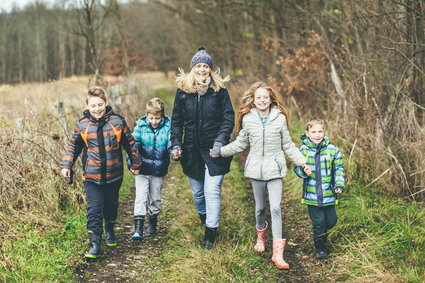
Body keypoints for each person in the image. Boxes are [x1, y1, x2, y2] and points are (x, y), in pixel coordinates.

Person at [218, 81, 307, 269]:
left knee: (275, 208)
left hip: (275, 170)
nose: (262, 100)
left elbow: (288, 145)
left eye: (265, 97)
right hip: (256, 170)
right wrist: (221, 151)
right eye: (258, 97)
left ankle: (278, 253)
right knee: (260, 209)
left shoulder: (279, 118)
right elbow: (240, 144)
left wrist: (303, 162)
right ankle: (261, 238)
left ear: (271, 99)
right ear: (253, 99)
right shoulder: (248, 119)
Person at [60, 86, 141, 260]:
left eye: (100, 104)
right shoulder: (82, 125)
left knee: (111, 207)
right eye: (93, 105)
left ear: (106, 103)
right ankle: (95, 244)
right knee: (94, 210)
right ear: (87, 105)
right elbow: (73, 147)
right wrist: (66, 165)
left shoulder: (117, 122)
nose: (97, 108)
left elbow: (130, 144)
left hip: (114, 175)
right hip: (91, 177)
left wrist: (135, 163)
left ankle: (110, 229)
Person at [170, 47, 235, 250]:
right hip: (190, 150)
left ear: (210, 69)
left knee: (212, 190)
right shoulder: (182, 92)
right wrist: (176, 144)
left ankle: (210, 234)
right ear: (192, 69)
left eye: (205, 66)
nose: (201, 69)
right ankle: (205, 218)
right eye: (198, 66)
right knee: (198, 194)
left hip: (214, 150)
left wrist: (220, 141)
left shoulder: (220, 91)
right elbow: (176, 122)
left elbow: (228, 118)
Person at [294, 118, 345, 259]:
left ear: (324, 132)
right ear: (307, 133)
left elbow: (339, 168)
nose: (317, 135)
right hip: (312, 196)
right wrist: (304, 172)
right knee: (319, 223)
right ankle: (320, 248)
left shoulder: (332, 149)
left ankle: (322, 234)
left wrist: (339, 184)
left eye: (320, 131)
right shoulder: (303, 149)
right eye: (313, 132)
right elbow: (297, 168)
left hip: (329, 194)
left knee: (331, 221)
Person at [130, 97, 171, 240]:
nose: (154, 121)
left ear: (162, 116)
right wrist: (133, 164)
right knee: (140, 197)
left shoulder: (168, 127)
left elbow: (171, 143)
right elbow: (133, 147)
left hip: (158, 169)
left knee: (155, 198)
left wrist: (174, 151)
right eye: (152, 118)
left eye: (157, 118)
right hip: (142, 168)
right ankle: (138, 229)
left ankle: (152, 222)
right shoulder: (140, 127)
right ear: (147, 115)